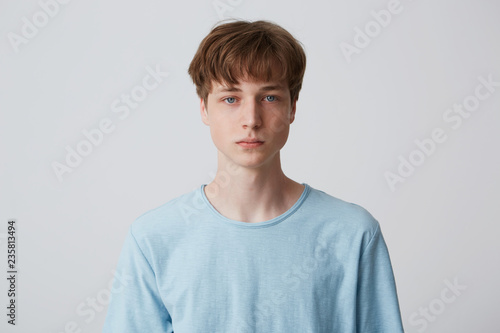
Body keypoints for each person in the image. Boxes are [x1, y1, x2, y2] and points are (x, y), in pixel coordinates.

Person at [102, 19, 404, 332]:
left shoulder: (352, 233)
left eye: (269, 97)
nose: (251, 119)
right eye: (230, 98)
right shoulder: (154, 237)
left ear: (292, 108)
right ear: (204, 108)